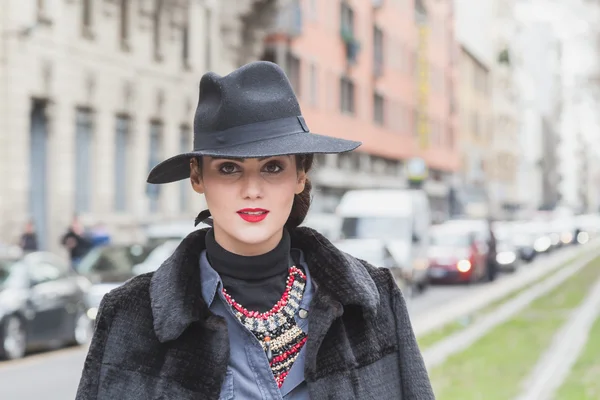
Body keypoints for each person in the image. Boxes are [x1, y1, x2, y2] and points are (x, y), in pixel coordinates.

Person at [76, 61, 434, 399]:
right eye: (229, 168)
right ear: (198, 177)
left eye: (273, 167)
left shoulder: (373, 302)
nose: (252, 189)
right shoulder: (130, 317)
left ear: (300, 175)